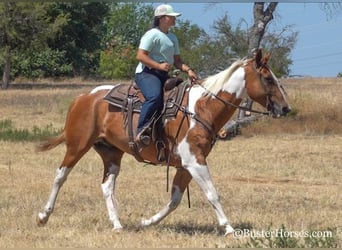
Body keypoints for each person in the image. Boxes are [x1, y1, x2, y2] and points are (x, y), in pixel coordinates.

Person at [135, 4, 198, 146]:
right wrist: (158, 65)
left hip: (163, 74)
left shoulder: (173, 37)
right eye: (172, 17)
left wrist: (188, 70)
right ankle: (141, 131)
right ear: (162, 18)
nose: (175, 19)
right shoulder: (151, 35)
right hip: (147, 73)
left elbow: (177, 61)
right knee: (154, 96)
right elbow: (140, 56)